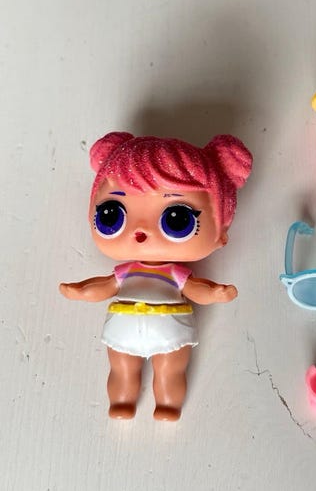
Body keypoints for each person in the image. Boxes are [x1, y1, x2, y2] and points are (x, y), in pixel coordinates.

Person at [59, 131, 252, 420]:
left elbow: (195, 288)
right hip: (126, 326)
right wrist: (81, 291)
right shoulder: (127, 272)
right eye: (111, 214)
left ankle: (167, 404)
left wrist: (214, 293)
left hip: (168, 327)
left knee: (170, 369)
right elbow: (105, 286)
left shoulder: (174, 274)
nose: (141, 232)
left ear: (220, 234)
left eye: (177, 220)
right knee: (122, 368)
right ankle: (121, 400)